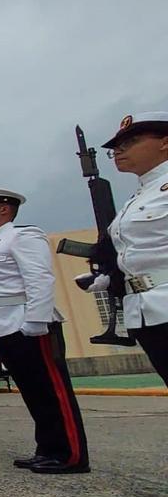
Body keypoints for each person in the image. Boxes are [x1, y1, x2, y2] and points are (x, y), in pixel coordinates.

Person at [0, 188, 89, 474]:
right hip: (5, 327)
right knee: (33, 392)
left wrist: (37, 319)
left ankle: (69, 455)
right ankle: (48, 448)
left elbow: (39, 277)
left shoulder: (23, 235)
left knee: (52, 392)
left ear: (4, 209)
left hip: (28, 325)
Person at [95, 112, 168, 386]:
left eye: (132, 141)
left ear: (165, 142)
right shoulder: (138, 197)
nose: (119, 151)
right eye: (115, 147)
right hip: (148, 312)